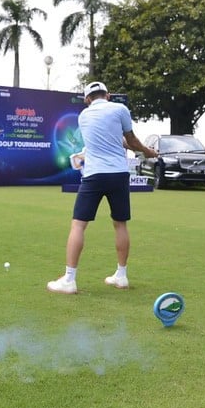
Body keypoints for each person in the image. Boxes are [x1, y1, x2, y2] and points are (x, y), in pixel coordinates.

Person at [47, 82, 157, 295]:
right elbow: (131, 141)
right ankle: (122, 276)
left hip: (95, 175)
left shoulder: (84, 116)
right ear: (107, 95)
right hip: (118, 174)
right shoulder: (120, 109)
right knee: (120, 224)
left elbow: (120, 141)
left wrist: (141, 149)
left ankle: (69, 280)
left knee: (78, 225)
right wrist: (147, 152)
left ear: (87, 99)